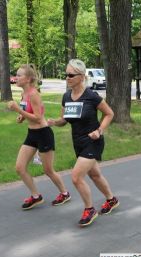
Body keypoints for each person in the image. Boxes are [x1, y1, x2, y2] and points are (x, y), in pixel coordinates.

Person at [48, 59, 119, 227]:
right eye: (66, 75)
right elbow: (64, 120)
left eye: (71, 75)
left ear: (81, 76)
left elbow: (109, 114)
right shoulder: (66, 97)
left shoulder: (91, 96)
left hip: (93, 141)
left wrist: (99, 131)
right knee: (94, 175)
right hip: (78, 143)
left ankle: (90, 209)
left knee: (76, 177)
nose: (67, 78)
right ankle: (111, 200)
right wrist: (53, 122)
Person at [7, 64, 71, 210]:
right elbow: (26, 111)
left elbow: (37, 117)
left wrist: (18, 109)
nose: (16, 77)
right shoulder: (24, 93)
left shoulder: (34, 94)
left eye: (19, 75)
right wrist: (21, 117)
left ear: (28, 79)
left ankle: (65, 193)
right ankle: (36, 196)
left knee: (48, 170)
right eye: (16, 74)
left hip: (43, 134)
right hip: (32, 134)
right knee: (20, 167)